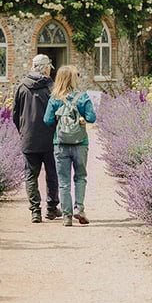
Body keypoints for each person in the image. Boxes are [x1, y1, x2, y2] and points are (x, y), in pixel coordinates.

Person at [43, 65, 97, 226]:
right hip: (80, 143)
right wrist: (80, 118)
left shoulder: (54, 99)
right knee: (80, 177)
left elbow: (47, 120)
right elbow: (92, 118)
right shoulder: (83, 97)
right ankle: (79, 208)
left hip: (60, 144)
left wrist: (59, 120)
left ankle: (67, 216)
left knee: (63, 180)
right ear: (74, 79)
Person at [12, 54, 62, 223]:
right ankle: (51, 208)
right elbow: (58, 112)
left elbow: (15, 114)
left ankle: (35, 211)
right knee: (52, 173)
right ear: (45, 67)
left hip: (29, 138)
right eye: (49, 67)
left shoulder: (22, 87)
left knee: (30, 175)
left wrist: (23, 131)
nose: (49, 70)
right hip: (49, 137)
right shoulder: (50, 87)